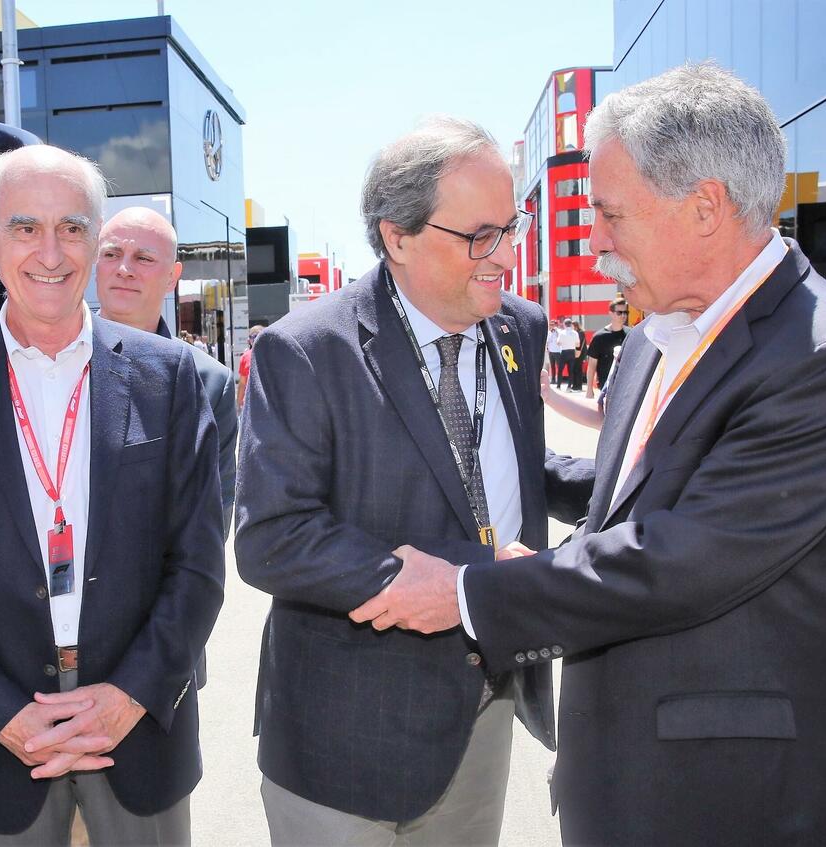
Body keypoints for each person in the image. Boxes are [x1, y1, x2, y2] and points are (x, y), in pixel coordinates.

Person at [350, 64, 826, 846]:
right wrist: (498, 463)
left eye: (611, 213)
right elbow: (640, 493)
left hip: (738, 801)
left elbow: (682, 556)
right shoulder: (659, 334)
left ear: (705, 206)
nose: (598, 239)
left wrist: (472, 594)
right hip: (626, 782)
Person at [234, 116, 592, 846]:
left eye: (512, 226)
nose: (506, 255)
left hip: (483, 715)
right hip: (346, 737)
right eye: (479, 236)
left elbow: (512, 468)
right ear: (396, 236)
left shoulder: (518, 326)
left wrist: (632, 482)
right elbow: (272, 537)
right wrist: (481, 573)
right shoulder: (306, 351)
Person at [0, 144, 224, 846]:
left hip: (139, 732)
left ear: (96, 238)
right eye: (24, 227)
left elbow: (197, 561)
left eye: (72, 227)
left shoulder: (169, 379)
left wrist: (132, 694)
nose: (51, 250)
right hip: (4, 738)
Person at [95, 206, 237, 528]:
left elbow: (210, 524)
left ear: (173, 277)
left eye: (143, 258)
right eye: (111, 254)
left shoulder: (209, 383)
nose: (124, 268)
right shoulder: (51, 359)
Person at [586, 300, 628, 399]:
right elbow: (592, 365)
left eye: (625, 312)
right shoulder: (599, 337)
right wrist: (589, 389)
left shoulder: (630, 334)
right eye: (619, 313)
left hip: (626, 386)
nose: (623, 315)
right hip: (606, 387)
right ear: (611, 314)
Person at [235, 324, 263, 408]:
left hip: (251, 402)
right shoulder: (272, 353)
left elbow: (242, 383)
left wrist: (239, 402)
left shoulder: (246, 356)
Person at [555, 319, 579, 389]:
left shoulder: (562, 333)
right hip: (572, 352)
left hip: (564, 352)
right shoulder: (575, 333)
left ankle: (558, 385)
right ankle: (569, 386)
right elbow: (578, 344)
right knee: (570, 370)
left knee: (560, 369)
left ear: (564, 324)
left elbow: (558, 343)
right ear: (571, 324)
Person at [546, 317, 562, 386]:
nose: (551, 326)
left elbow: (560, 339)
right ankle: (553, 379)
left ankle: (559, 380)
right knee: (552, 366)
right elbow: (547, 341)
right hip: (551, 351)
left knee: (559, 366)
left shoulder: (559, 331)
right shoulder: (549, 332)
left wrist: (556, 331)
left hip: (557, 351)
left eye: (553, 324)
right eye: (550, 324)